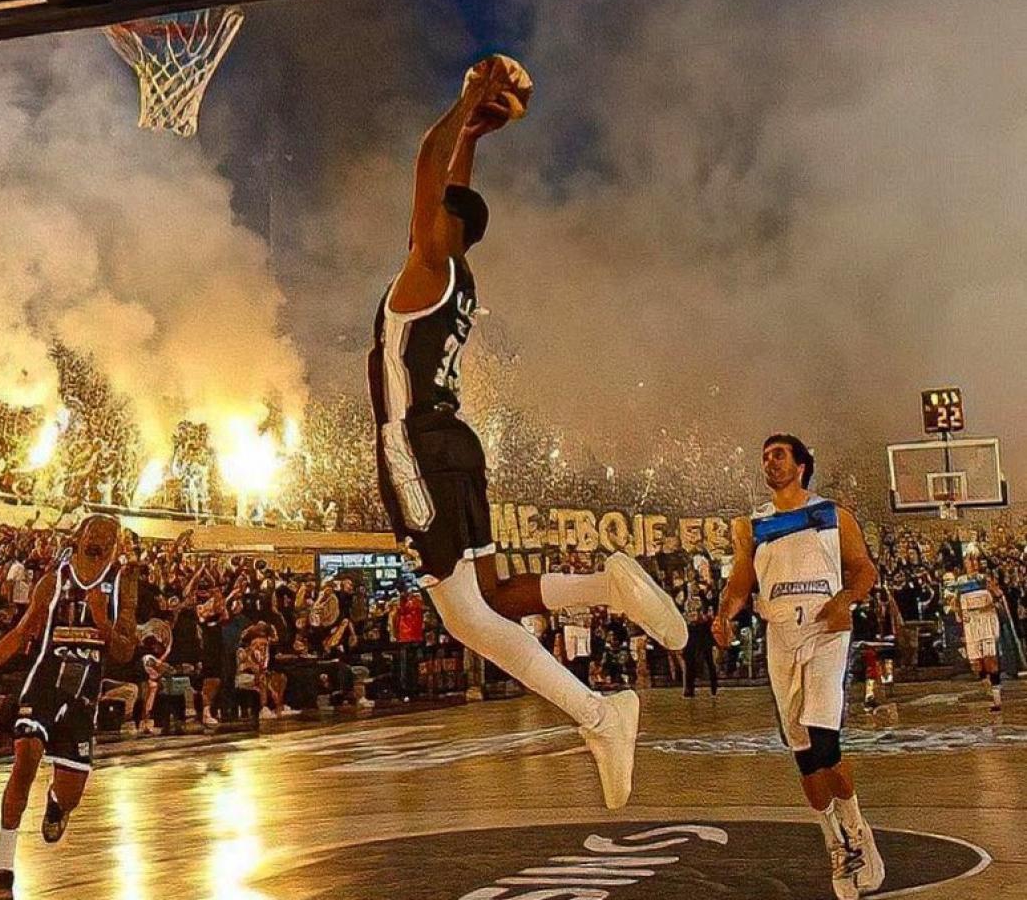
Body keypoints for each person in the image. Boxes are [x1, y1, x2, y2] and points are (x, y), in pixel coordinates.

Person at [367, 54, 687, 809]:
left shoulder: (429, 262)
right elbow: (450, 186)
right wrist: (475, 136)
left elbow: (425, 161)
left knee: (465, 617)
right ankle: (605, 586)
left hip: (414, 443)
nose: (419, 216)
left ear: (443, 227)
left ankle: (599, 714)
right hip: (454, 445)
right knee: (494, 595)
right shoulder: (456, 275)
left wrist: (467, 98)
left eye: (433, 212)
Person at [714, 434, 885, 900]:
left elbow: (863, 568)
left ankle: (856, 830)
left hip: (826, 628)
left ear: (802, 465)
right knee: (803, 750)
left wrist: (846, 599)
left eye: (779, 455)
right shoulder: (752, 526)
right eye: (765, 456)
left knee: (824, 732)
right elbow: (740, 583)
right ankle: (834, 839)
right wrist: (724, 614)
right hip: (780, 634)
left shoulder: (833, 514)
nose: (769, 462)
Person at [0, 515, 139, 900]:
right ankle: (3, 871)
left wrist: (101, 619)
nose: (98, 544)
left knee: (70, 795)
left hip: (82, 697)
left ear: (115, 546)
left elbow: (125, 651)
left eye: (107, 539)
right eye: (92, 537)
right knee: (25, 757)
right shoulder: (53, 581)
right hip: (43, 685)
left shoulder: (122, 585)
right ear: (78, 539)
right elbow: (18, 637)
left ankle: (57, 805)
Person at [952, 554, 1007, 712]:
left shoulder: (985, 578)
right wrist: (958, 613)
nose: (973, 563)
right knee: (977, 663)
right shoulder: (960, 582)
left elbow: (999, 595)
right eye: (970, 560)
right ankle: (987, 684)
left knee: (990, 659)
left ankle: (997, 701)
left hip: (986, 621)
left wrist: (993, 591)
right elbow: (956, 602)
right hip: (971, 624)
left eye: (975, 560)